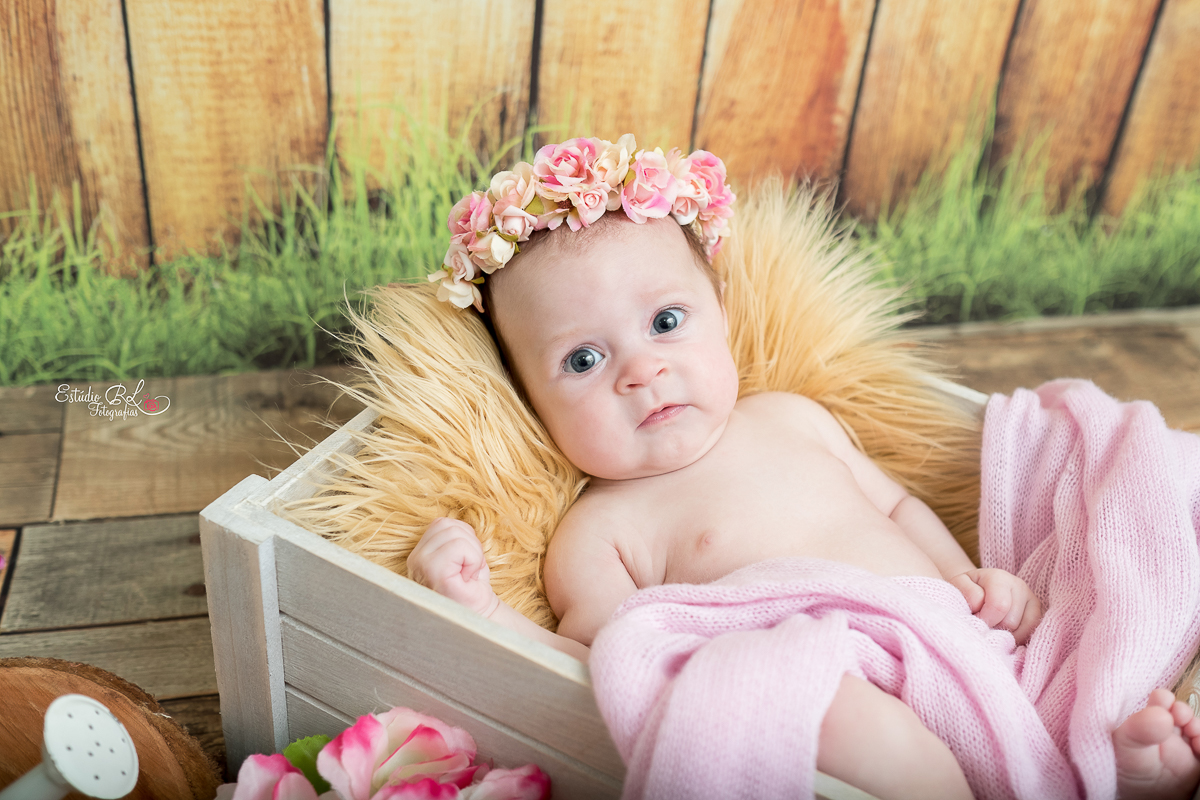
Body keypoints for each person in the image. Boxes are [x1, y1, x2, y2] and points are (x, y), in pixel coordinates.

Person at [406, 135, 1200, 799]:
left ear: (720, 315)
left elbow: (897, 509)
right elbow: (611, 665)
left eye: (666, 321)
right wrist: (486, 613)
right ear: (530, 401)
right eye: (582, 358)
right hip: (828, 669)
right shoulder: (597, 532)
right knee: (823, 706)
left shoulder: (791, 416)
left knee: (1083, 663)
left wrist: (976, 582)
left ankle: (1108, 769)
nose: (641, 371)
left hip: (955, 644)